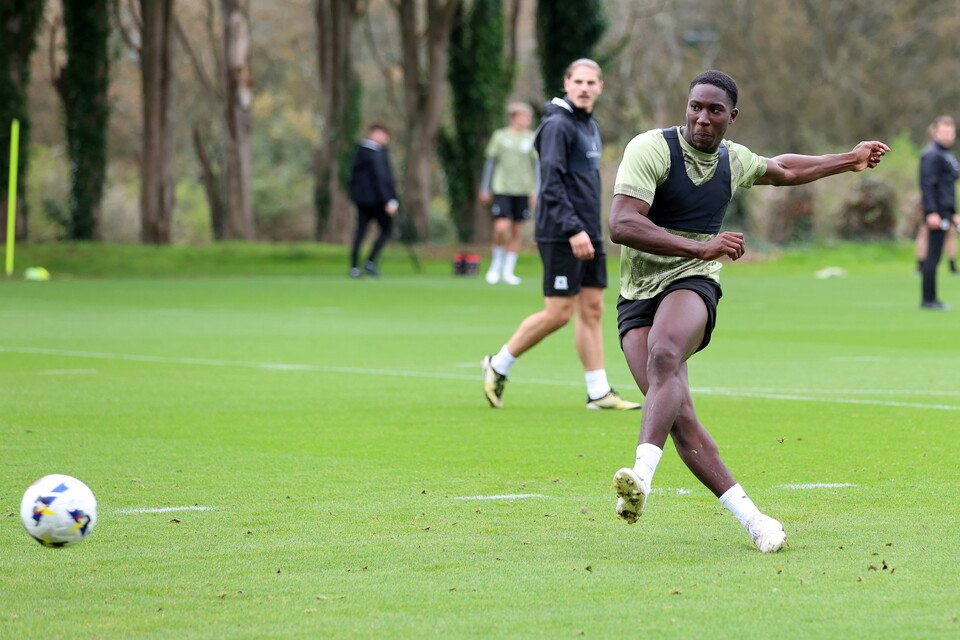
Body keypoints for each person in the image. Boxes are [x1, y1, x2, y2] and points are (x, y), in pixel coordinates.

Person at [607, 70, 890, 552]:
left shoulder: (733, 161)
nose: (702, 117)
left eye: (715, 110)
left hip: (692, 282)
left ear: (731, 118)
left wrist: (849, 159)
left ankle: (641, 477)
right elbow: (621, 223)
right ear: (686, 107)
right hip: (637, 292)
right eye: (696, 106)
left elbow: (785, 170)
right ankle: (756, 521)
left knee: (665, 355)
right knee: (679, 417)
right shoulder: (650, 149)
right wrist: (698, 247)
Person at [481, 59, 641, 411]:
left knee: (593, 308)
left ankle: (598, 392)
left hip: (588, 232)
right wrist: (573, 229)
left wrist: (588, 229)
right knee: (558, 313)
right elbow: (550, 184)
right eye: (578, 81)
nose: (584, 88)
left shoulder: (589, 125)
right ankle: (498, 363)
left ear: (600, 86)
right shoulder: (556, 125)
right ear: (566, 84)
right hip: (562, 232)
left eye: (591, 82)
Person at [480, 103, 540, 285]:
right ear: (513, 118)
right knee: (500, 227)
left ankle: (508, 271)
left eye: (528, 118)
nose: (526, 121)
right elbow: (490, 163)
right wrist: (485, 188)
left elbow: (537, 166)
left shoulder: (532, 138)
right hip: (502, 189)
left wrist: (536, 190)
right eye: (522, 117)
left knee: (516, 230)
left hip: (522, 190)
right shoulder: (500, 136)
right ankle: (496, 264)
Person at [918, 115, 960, 310]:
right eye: (943, 132)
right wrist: (931, 212)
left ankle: (931, 298)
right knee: (933, 256)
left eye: (950, 132)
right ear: (934, 133)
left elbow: (946, 187)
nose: (947, 135)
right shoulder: (932, 154)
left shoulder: (946, 154)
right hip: (936, 212)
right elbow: (928, 185)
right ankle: (928, 299)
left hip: (945, 210)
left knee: (937, 255)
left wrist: (952, 212)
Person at [348, 123, 399, 278]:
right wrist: (389, 200)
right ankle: (369, 262)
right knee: (386, 229)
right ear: (376, 134)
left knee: (361, 231)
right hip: (377, 200)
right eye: (384, 135)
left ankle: (354, 266)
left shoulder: (360, 151)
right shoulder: (375, 153)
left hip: (362, 200)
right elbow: (381, 179)